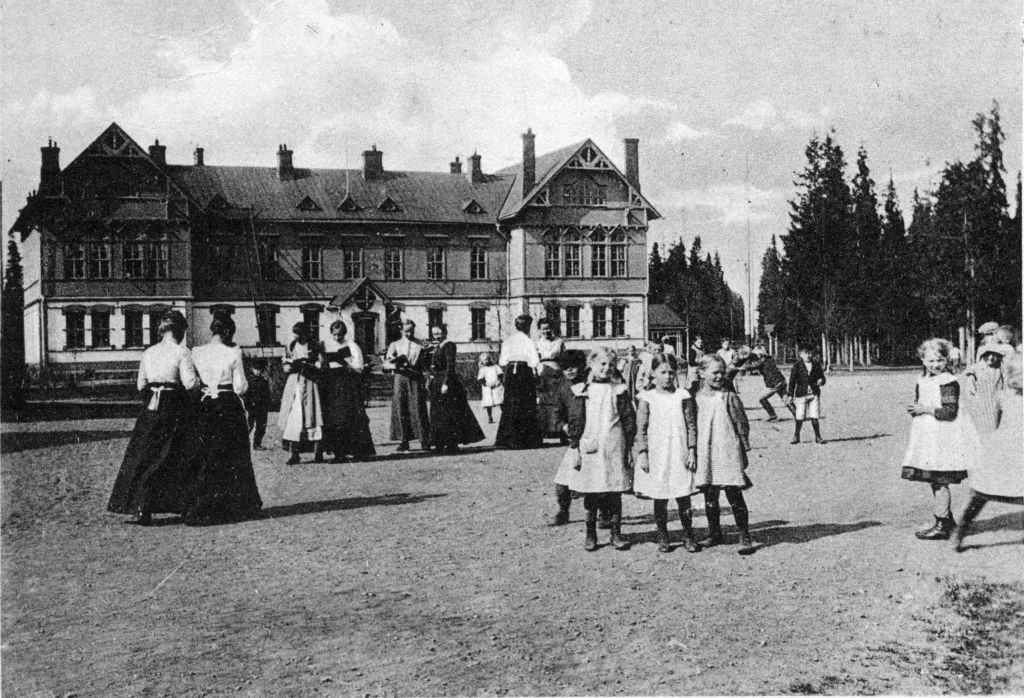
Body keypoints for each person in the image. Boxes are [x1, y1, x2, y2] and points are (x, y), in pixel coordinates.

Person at [107, 310, 199, 525]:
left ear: (161, 330)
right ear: (181, 330)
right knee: (176, 454)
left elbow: (141, 385)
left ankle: (140, 508)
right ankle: (181, 506)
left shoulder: (148, 353)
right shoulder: (182, 352)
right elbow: (190, 384)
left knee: (144, 456)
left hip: (151, 408)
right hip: (174, 407)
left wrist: (151, 402)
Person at [183, 316, 263, 524]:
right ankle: (236, 506)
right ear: (228, 332)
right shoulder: (233, 352)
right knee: (233, 456)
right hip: (228, 405)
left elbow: (192, 382)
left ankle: (203, 507)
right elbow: (240, 387)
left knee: (206, 454)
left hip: (205, 405)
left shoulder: (197, 352)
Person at [901, 338, 980, 541]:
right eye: (930, 361)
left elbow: (950, 411)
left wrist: (924, 409)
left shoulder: (947, 381)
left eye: (939, 360)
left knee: (939, 480)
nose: (935, 365)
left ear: (946, 360)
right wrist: (916, 409)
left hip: (942, 437)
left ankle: (942, 522)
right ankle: (947, 520)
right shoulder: (923, 379)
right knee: (934, 481)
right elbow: (921, 401)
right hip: (928, 435)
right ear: (922, 360)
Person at [566, 347, 637, 551]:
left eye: (610, 365)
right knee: (592, 491)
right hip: (591, 444)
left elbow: (628, 420)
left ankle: (616, 534)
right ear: (591, 365)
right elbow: (575, 420)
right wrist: (574, 447)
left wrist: (630, 447)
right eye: (602, 364)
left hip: (615, 444)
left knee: (615, 490)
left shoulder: (619, 389)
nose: (606, 368)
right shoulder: (582, 390)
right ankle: (591, 534)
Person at [953, 345, 1023, 551]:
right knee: (982, 492)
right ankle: (960, 531)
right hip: (1003, 451)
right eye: (1016, 375)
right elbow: (992, 424)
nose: (1019, 380)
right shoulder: (1003, 397)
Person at [634, 353, 700, 553]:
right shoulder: (647, 397)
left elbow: (691, 425)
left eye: (672, 372)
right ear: (653, 374)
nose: (668, 376)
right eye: (662, 372)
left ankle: (688, 534)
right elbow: (641, 428)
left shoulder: (683, 396)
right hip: (657, 453)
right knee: (660, 497)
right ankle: (663, 536)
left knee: (683, 496)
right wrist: (643, 453)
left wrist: (691, 451)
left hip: (678, 451)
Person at [693, 354, 756, 553]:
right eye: (715, 372)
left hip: (727, 449)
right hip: (706, 450)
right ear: (702, 373)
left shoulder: (729, 396)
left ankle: (744, 534)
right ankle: (714, 532)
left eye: (722, 372)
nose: (719, 376)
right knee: (709, 493)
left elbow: (741, 422)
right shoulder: (695, 397)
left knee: (733, 492)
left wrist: (744, 447)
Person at [320, 320, 376, 463]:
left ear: (344, 333)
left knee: (354, 418)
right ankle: (339, 453)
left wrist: (345, 363)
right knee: (335, 419)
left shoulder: (352, 346)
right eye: (334, 335)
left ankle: (360, 452)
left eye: (340, 335)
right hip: (332, 384)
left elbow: (360, 369)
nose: (337, 338)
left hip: (349, 384)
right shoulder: (327, 345)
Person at [428, 325, 485, 453]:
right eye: (434, 334)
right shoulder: (438, 346)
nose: (436, 336)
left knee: (449, 414)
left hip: (447, 383)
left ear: (445, 332)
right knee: (439, 414)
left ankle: (451, 443)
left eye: (439, 333)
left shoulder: (449, 345)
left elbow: (450, 366)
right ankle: (440, 443)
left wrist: (446, 383)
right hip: (437, 382)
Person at [278, 322, 324, 465]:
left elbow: (321, 363)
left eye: (299, 335)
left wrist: (312, 365)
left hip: (310, 383)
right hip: (295, 384)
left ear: (306, 334)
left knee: (313, 415)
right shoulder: (291, 346)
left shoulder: (315, 346)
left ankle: (318, 452)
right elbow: (285, 365)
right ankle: (295, 453)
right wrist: (289, 365)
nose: (297, 338)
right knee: (294, 417)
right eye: (295, 335)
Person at [495, 314, 542, 449]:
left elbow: (502, 361)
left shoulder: (508, 340)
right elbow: (534, 361)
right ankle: (526, 440)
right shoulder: (528, 341)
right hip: (523, 372)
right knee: (525, 403)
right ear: (528, 327)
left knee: (510, 403)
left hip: (510, 372)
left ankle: (508, 439)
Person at [384, 319, 431, 452]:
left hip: (416, 377)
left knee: (418, 407)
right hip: (401, 378)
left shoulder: (421, 344)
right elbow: (387, 363)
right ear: (401, 331)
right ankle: (404, 440)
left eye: (411, 331)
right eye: (406, 331)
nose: (409, 333)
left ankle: (424, 440)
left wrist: (426, 377)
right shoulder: (395, 345)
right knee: (401, 407)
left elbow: (424, 364)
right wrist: (396, 363)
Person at [550, 355, 586, 525]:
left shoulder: (591, 384)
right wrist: (565, 427)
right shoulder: (562, 387)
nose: (570, 371)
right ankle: (564, 510)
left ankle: (604, 513)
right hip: (574, 439)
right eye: (566, 368)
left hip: (592, 437)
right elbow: (557, 413)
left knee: (598, 479)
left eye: (574, 366)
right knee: (562, 480)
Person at [964, 340, 1011, 434]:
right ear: (983, 355)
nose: (991, 357)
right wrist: (971, 382)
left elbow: (1006, 386)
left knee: (994, 429)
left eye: (995, 355)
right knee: (980, 430)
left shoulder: (999, 369)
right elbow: (970, 375)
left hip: (995, 405)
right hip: (980, 404)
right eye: (988, 354)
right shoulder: (976, 367)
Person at [742, 344, 795, 421]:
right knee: (785, 399)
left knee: (762, 398)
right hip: (781, 380)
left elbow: (751, 367)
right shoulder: (769, 359)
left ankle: (772, 414)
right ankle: (797, 414)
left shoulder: (761, 361)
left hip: (774, 384)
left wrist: (742, 365)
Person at [535, 318, 567, 440]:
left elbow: (564, 358)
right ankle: (543, 431)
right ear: (539, 330)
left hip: (557, 374)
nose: (546, 331)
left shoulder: (559, 342)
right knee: (543, 402)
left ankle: (559, 431)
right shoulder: (536, 343)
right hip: (542, 373)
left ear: (552, 328)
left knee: (558, 402)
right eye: (543, 329)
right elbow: (533, 360)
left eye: (548, 328)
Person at [788, 346, 826, 444]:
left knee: (815, 416)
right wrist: (790, 395)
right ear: (800, 354)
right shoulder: (797, 366)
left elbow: (822, 378)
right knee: (800, 416)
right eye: (805, 353)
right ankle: (796, 436)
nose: (808, 355)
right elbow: (792, 381)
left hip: (814, 394)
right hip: (801, 394)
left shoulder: (816, 365)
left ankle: (818, 437)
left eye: (809, 353)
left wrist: (821, 380)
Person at [243, 358, 271, 450]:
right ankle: (242, 443)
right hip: (251, 407)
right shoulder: (249, 381)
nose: (257, 371)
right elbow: (245, 395)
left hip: (262, 408)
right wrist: (247, 405)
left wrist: (266, 406)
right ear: (252, 369)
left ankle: (257, 444)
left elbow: (267, 395)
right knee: (248, 426)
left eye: (259, 369)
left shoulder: (264, 381)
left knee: (261, 427)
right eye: (256, 369)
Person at [477, 352, 504, 424]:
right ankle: (490, 417)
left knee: (500, 401)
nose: (487, 361)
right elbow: (481, 379)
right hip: (488, 388)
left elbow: (501, 375)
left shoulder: (496, 367)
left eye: (487, 359)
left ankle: (504, 415)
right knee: (489, 403)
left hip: (497, 386)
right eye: (484, 360)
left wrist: (498, 382)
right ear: (481, 361)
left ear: (490, 359)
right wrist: (486, 384)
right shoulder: (483, 369)